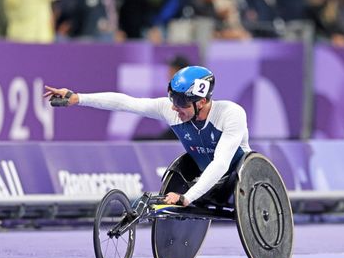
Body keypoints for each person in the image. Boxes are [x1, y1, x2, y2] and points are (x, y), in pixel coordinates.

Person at [44, 65, 250, 207]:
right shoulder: (171, 110)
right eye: (173, 99)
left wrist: (187, 198)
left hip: (237, 180)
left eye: (182, 103)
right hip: (201, 176)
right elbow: (126, 103)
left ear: (202, 101)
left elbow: (222, 164)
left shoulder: (231, 114)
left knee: (220, 169)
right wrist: (78, 98)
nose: (175, 108)